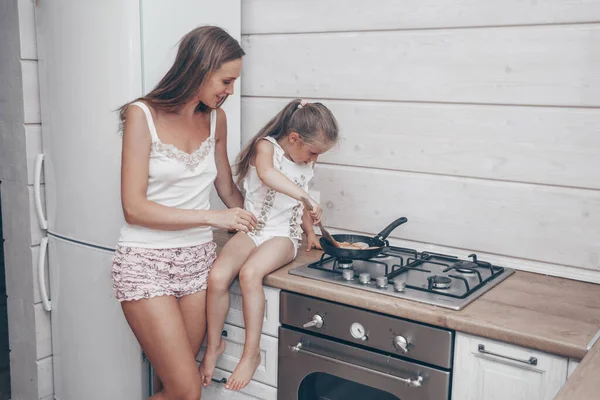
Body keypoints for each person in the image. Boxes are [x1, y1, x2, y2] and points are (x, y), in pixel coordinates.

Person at [111, 26, 257, 400]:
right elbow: (134, 208)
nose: (230, 90)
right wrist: (212, 218)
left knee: (174, 389)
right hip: (145, 262)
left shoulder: (215, 120)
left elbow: (226, 189)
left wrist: (266, 217)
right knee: (187, 391)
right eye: (226, 80)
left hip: (197, 263)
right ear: (200, 68)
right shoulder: (142, 114)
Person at [199, 99, 339, 391]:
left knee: (250, 274)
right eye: (313, 152)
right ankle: (214, 345)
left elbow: (295, 204)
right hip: (253, 228)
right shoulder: (266, 148)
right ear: (293, 138)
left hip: (282, 236)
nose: (313, 159)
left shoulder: (305, 161)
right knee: (217, 276)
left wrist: (309, 231)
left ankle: (251, 353)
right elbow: (268, 175)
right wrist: (307, 197)